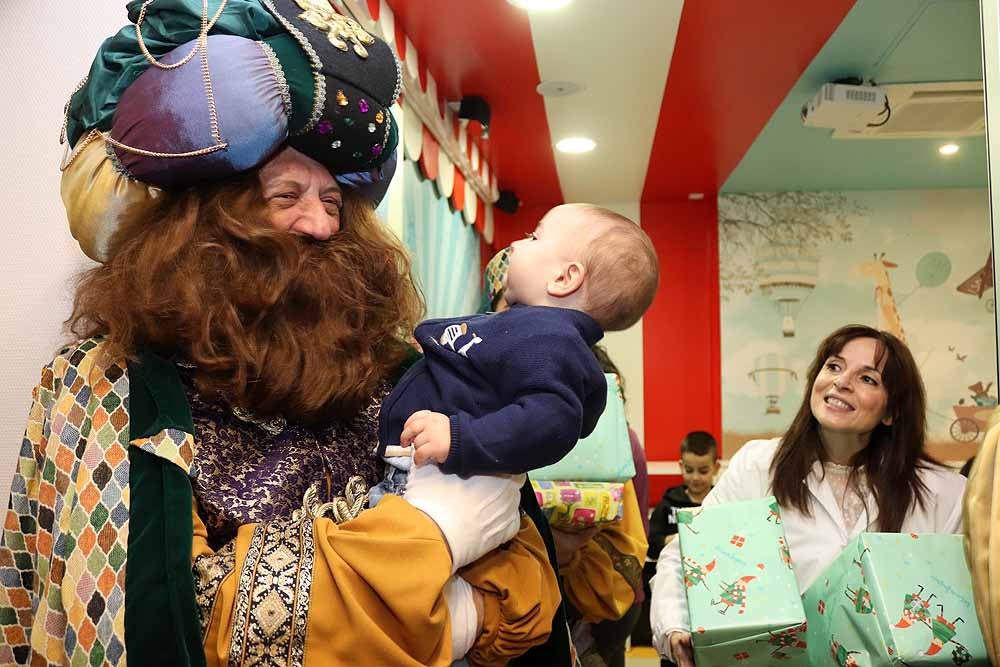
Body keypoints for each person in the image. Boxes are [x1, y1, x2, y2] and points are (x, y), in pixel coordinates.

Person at [0, 3, 560, 665]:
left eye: (332, 202)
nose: (322, 226)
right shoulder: (109, 385)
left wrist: (391, 595)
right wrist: (437, 547)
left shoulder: (403, 371)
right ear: (202, 227)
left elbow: (529, 584)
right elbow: (179, 615)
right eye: (287, 194)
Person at [651, 324, 968, 667]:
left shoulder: (943, 493)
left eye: (868, 379)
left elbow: (962, 603)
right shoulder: (758, 466)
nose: (841, 382)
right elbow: (685, 557)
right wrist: (675, 627)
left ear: (892, 411)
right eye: (834, 366)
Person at [376, 203, 660, 568]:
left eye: (534, 237)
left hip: (447, 482)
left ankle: (461, 615)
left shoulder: (551, 340)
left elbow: (551, 420)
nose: (518, 244)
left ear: (564, 278)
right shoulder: (531, 330)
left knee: (393, 564)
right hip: (434, 472)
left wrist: (459, 436)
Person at [634, 431, 719, 659]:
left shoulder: (719, 503)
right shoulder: (668, 505)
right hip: (677, 587)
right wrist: (677, 539)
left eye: (703, 471)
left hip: (711, 589)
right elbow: (651, 543)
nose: (695, 478)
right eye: (689, 470)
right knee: (676, 639)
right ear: (680, 466)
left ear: (716, 468)